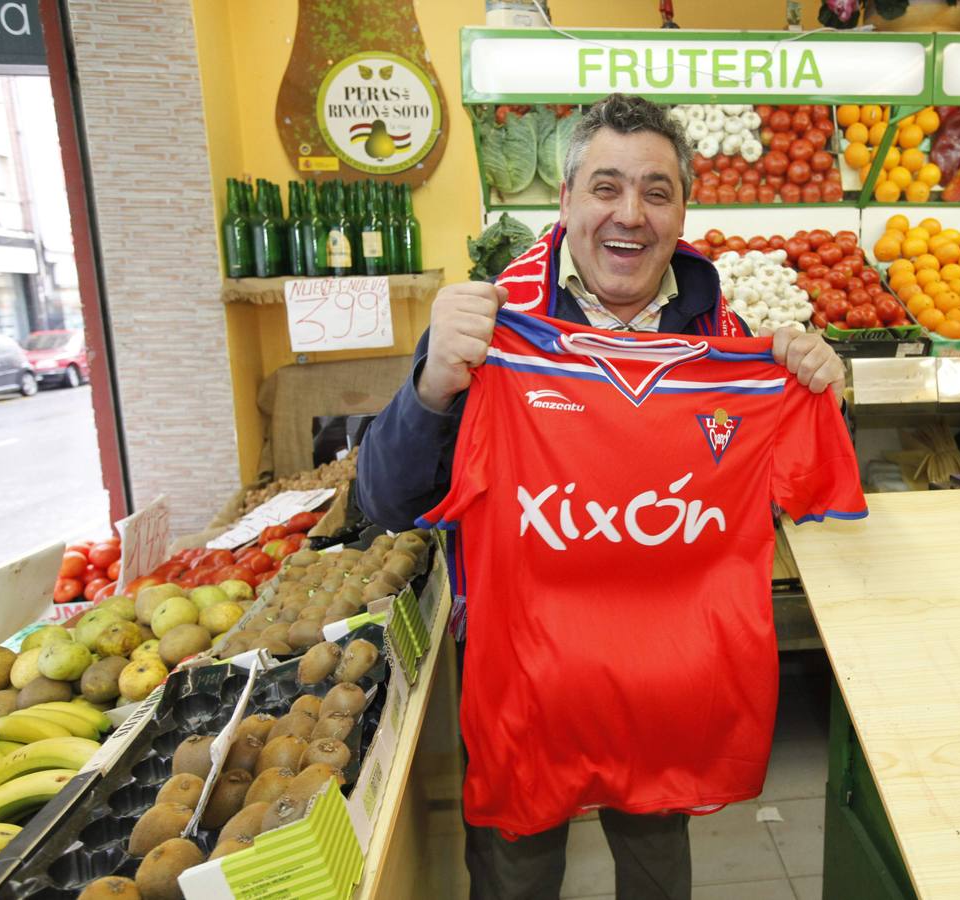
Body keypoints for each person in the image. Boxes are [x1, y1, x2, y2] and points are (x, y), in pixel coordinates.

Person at [357, 93, 846, 900]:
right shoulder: (492, 327)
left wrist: (817, 389)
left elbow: (792, 491)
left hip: (664, 687)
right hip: (524, 686)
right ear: (566, 200)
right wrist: (432, 387)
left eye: (657, 192)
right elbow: (384, 500)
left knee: (657, 868)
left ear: (683, 210)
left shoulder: (721, 342)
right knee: (515, 877)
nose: (631, 214)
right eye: (606, 187)